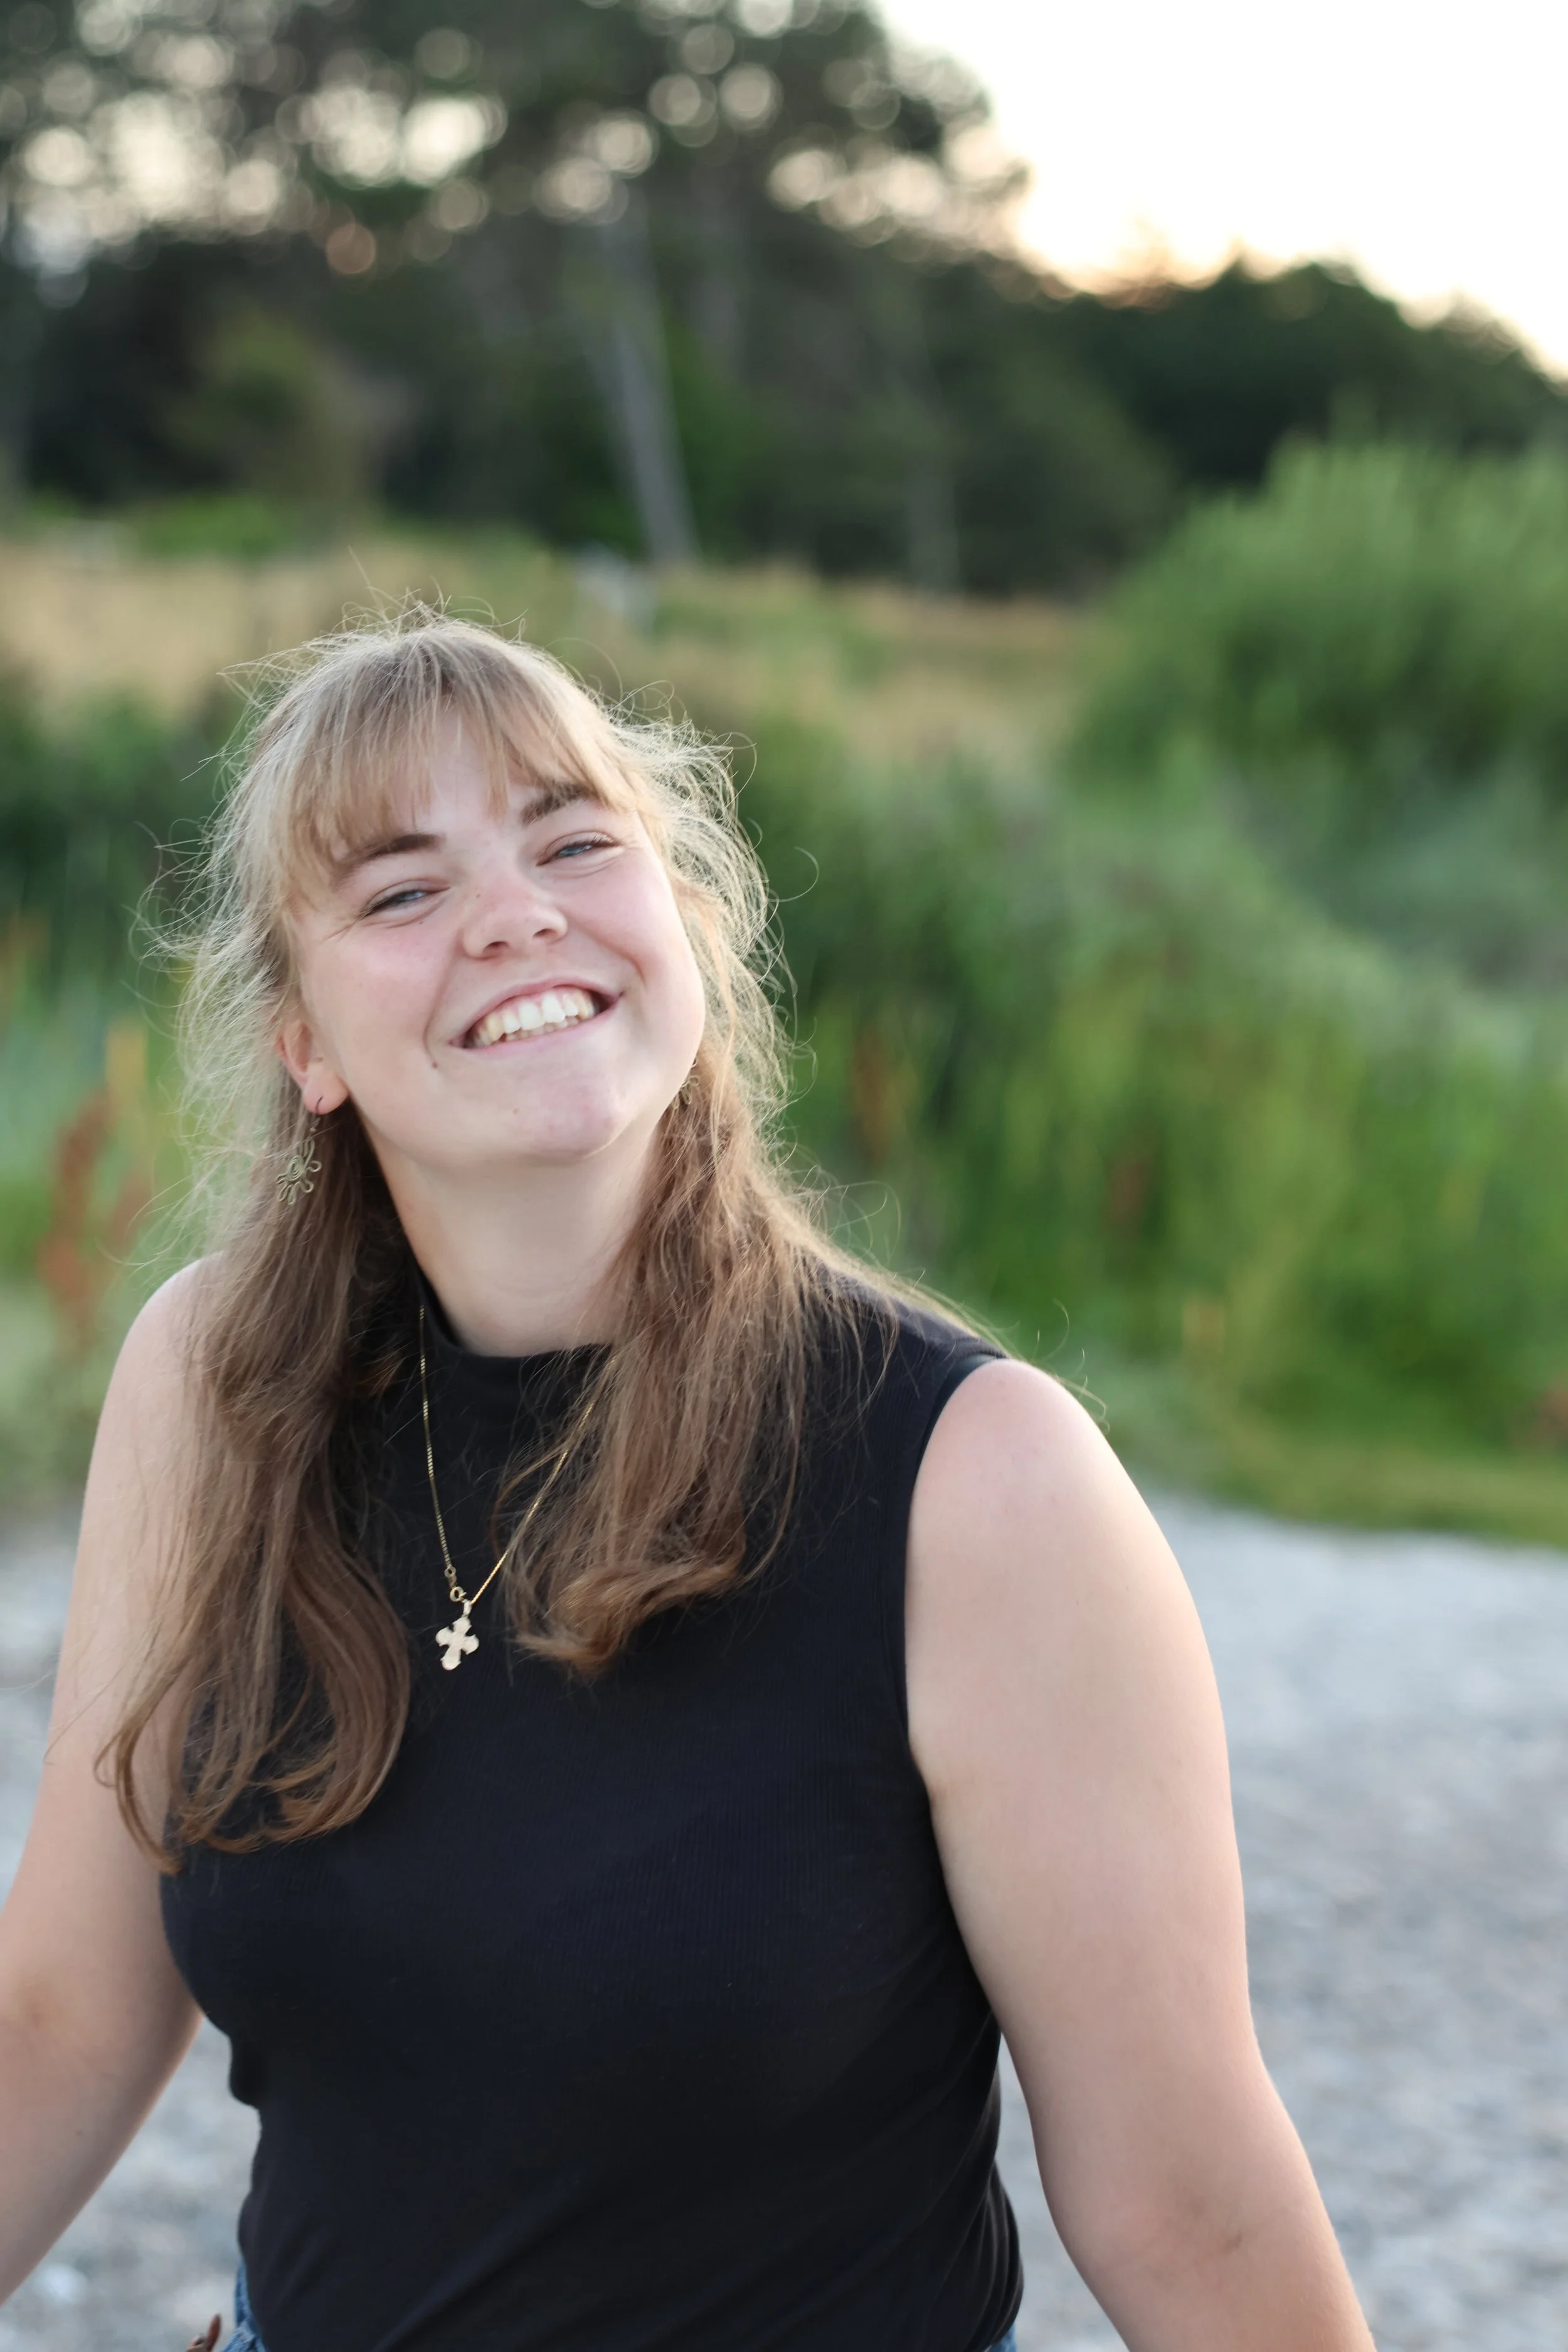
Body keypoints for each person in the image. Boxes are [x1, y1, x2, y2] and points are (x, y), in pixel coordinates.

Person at [0, 615, 1374, 2352]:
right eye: (402, 889)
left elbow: (1184, 2202)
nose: (515, 910)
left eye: (577, 842)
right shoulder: (211, 1393)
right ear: (307, 1047)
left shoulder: (979, 1478)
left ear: (687, 933)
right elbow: (56, 2017)